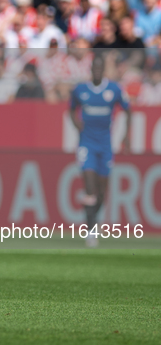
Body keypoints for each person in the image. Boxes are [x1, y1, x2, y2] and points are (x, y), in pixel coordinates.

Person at [69, 55, 131, 248]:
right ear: (90, 70)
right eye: (93, 68)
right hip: (87, 143)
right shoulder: (80, 90)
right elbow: (71, 109)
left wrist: (126, 135)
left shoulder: (113, 89)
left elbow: (128, 110)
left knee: (102, 191)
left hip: (105, 145)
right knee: (90, 187)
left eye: (99, 68)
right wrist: (77, 124)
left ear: (103, 69)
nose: (96, 71)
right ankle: (90, 231)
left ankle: (94, 224)